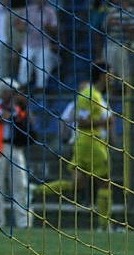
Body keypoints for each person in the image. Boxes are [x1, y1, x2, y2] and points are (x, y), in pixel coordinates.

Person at [32, 65, 118, 231]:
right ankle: (105, 226)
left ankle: (36, 191)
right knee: (105, 182)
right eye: (111, 75)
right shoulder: (89, 95)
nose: (113, 79)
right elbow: (82, 122)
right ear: (102, 76)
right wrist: (104, 122)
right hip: (91, 143)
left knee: (77, 184)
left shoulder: (97, 95)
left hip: (86, 143)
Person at [0, 80, 30, 229]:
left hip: (15, 148)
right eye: (12, 92)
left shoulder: (17, 107)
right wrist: (12, 111)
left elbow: (24, 120)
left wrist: (22, 107)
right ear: (3, 91)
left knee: (20, 185)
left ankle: (23, 222)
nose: (15, 95)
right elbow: (2, 117)